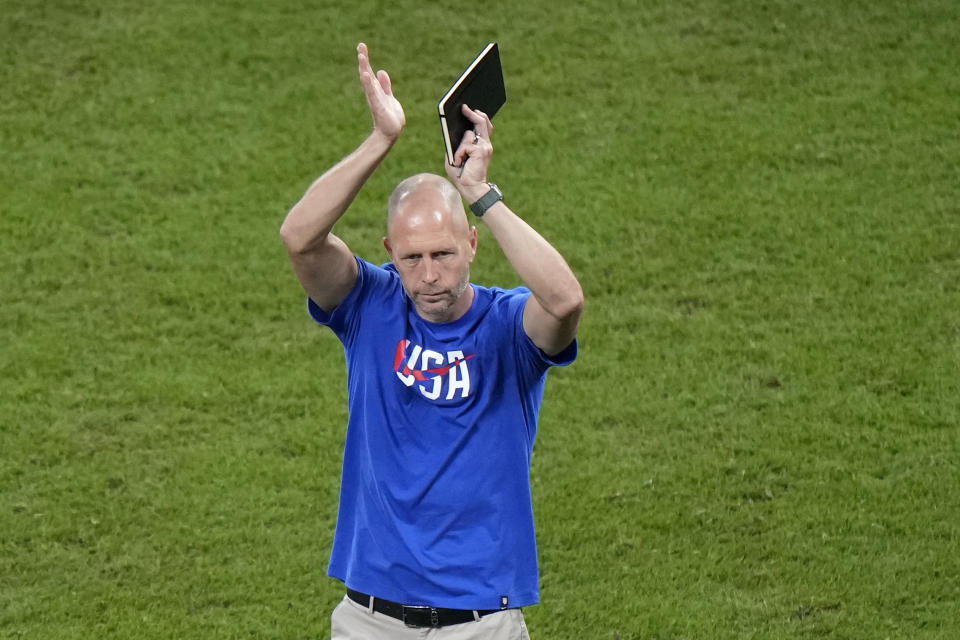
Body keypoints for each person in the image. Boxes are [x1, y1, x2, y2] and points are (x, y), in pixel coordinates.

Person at [279, 43, 584, 639]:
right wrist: (380, 140)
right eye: (412, 258)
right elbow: (299, 238)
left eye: (444, 253)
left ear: (472, 244)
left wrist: (479, 193)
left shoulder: (509, 327)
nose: (429, 274)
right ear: (390, 254)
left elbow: (565, 301)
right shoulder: (368, 305)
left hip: (480, 623)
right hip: (370, 618)